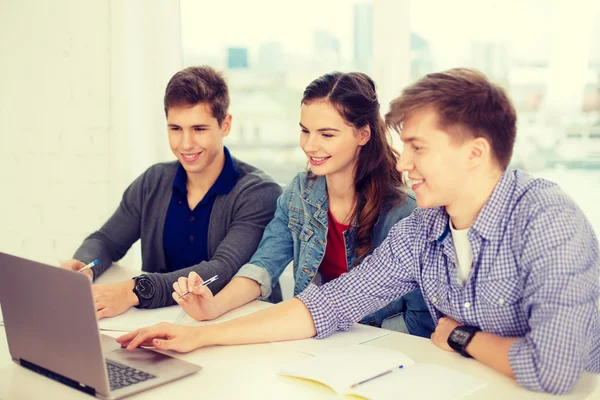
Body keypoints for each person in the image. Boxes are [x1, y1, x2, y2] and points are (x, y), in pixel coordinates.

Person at [117, 68, 600, 395]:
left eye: (417, 147)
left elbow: (553, 370)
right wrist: (204, 338)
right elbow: (326, 304)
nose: (404, 163)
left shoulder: (547, 221)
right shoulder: (425, 228)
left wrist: (459, 336)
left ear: (474, 153)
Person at [170, 72, 434, 336]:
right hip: (313, 335)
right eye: (305, 131)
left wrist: (349, 342)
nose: (310, 145)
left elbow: (421, 320)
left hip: (378, 349)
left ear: (363, 134)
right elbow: (264, 265)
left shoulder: (404, 212)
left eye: (327, 135)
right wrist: (213, 307)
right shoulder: (299, 192)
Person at [61, 66, 282, 319]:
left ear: (226, 125)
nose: (185, 144)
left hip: (235, 326)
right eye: (175, 129)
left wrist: (135, 290)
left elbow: (222, 270)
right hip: (160, 319)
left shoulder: (258, 192)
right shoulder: (154, 181)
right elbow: (106, 242)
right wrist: (86, 266)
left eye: (199, 129)